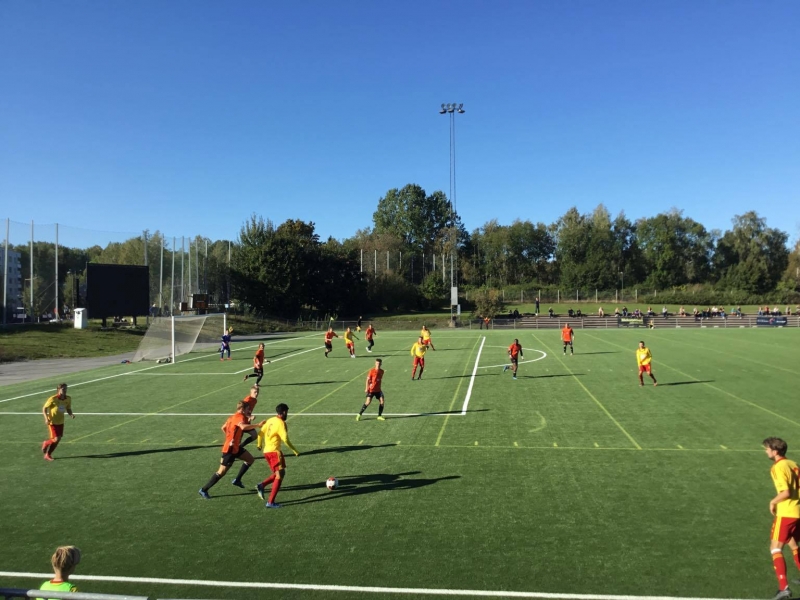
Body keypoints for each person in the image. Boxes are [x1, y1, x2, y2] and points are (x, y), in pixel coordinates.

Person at [198, 401, 261, 499]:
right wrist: (257, 425)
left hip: (235, 447)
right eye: (247, 409)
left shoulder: (232, 417)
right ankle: (204, 489)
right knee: (221, 472)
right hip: (230, 450)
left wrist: (229, 437)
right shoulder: (240, 417)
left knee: (250, 460)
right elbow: (243, 426)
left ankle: (237, 480)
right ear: (242, 409)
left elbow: (223, 427)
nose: (249, 411)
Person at [763, 437, 800, 600]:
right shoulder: (793, 463)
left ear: (775, 451)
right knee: (793, 543)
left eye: (767, 449)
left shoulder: (778, 467)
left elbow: (785, 492)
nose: (766, 451)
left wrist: (773, 501)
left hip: (786, 512)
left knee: (775, 547)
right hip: (798, 511)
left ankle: (783, 587)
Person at [255, 403, 299, 509]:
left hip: (267, 451)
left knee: (281, 473)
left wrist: (259, 445)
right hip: (274, 452)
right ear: (283, 412)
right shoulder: (281, 423)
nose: (287, 414)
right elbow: (285, 439)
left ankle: (262, 485)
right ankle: (270, 502)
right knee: (279, 476)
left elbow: (260, 433)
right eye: (287, 412)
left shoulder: (270, 420)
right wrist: (295, 450)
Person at [41, 383, 74, 461]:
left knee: (58, 440)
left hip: (61, 422)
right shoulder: (53, 399)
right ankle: (46, 443)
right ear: (59, 389)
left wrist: (71, 414)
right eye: (63, 389)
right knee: (56, 439)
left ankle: (48, 455)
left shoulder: (68, 398)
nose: (65, 390)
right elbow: (44, 408)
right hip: (52, 422)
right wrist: (46, 419)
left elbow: (68, 408)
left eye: (66, 388)